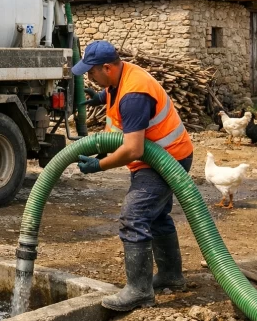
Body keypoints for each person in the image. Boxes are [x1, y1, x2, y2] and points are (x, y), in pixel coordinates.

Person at [72, 40, 194, 311]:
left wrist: (99, 165)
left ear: (107, 68)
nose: (89, 77)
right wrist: (100, 97)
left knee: (134, 215)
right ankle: (171, 276)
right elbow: (116, 93)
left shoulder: (134, 96)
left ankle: (139, 291)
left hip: (166, 160)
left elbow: (133, 149)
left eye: (91, 72)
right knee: (156, 216)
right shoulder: (121, 75)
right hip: (167, 155)